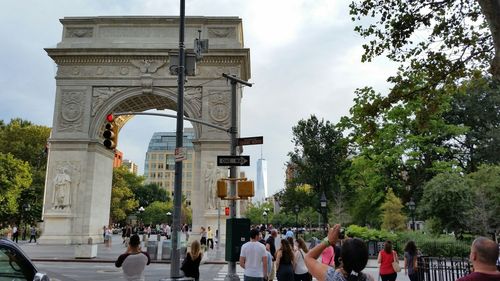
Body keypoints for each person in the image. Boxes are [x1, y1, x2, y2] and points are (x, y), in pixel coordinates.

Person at [305, 224, 373, 281]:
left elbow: (308, 257)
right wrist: (350, 243)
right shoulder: (369, 279)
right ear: (365, 261)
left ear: (340, 260)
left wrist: (328, 240)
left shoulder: (331, 277)